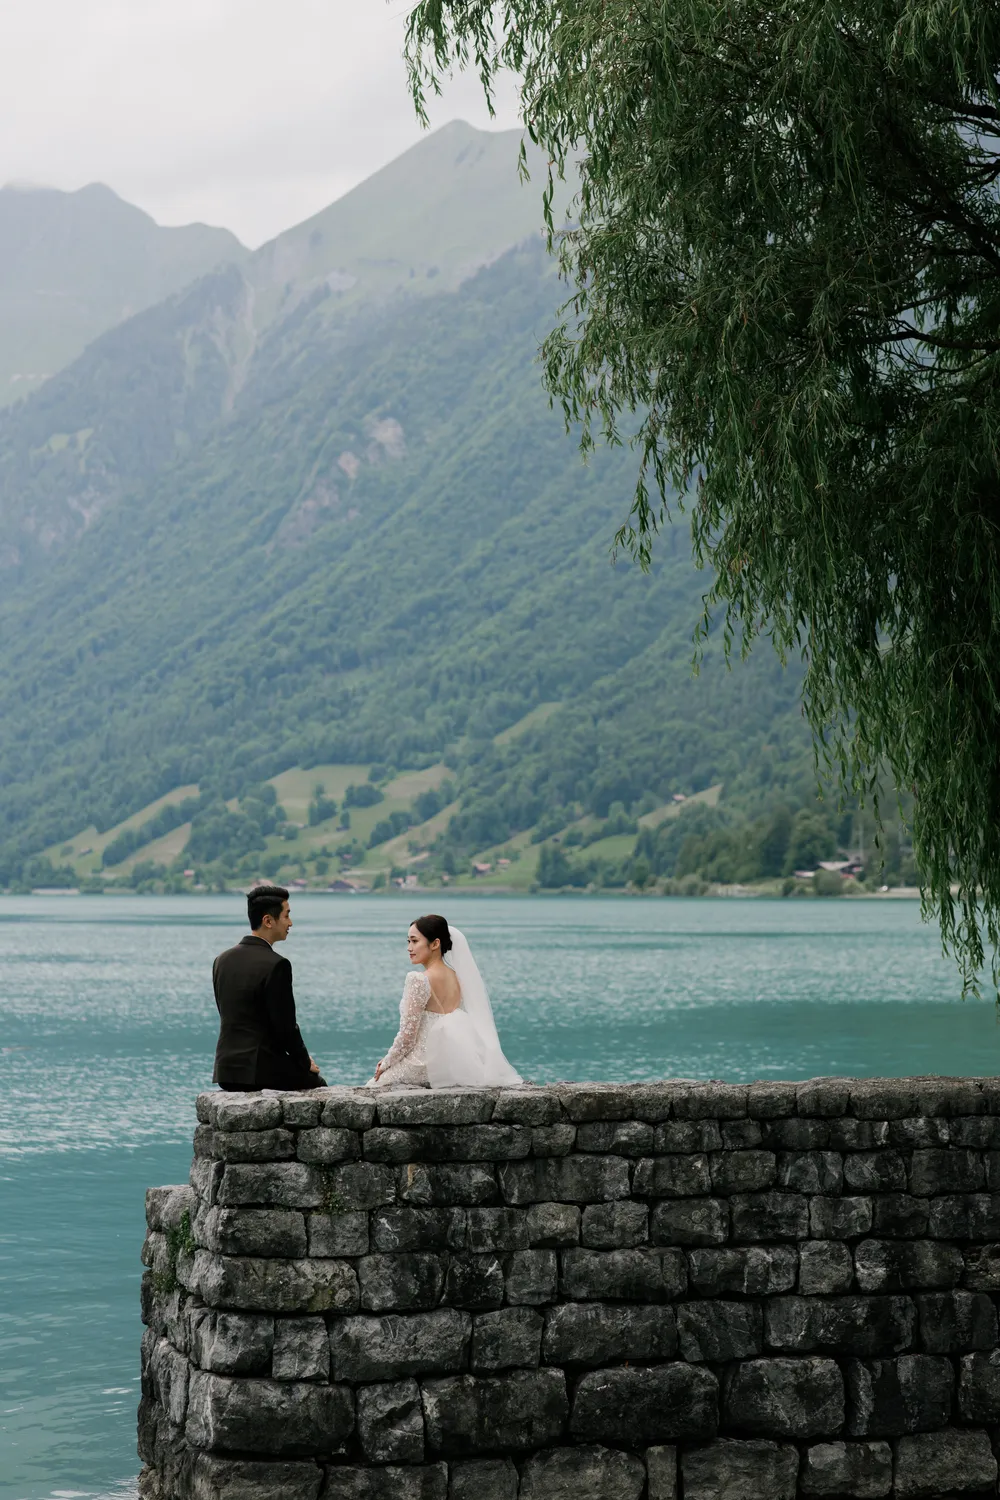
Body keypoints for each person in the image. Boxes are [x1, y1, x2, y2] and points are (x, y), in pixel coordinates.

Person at [367, 914, 521, 1088]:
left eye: (414, 941)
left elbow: (407, 1037)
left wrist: (386, 1062)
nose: (409, 948)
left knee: (372, 1086)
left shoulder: (418, 979)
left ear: (435, 944)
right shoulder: (458, 977)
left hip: (421, 1064)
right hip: (450, 1064)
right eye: (408, 941)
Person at [212, 884, 326, 1091]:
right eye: (286, 915)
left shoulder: (221, 960)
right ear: (268, 921)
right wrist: (304, 1061)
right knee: (317, 1085)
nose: (290, 923)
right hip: (258, 1071)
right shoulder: (277, 964)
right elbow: (285, 1027)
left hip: (225, 1071)